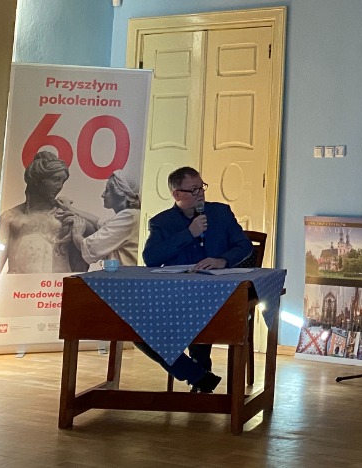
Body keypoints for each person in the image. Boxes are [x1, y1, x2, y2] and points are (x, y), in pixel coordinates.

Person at [138, 166, 253, 393]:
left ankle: (200, 375)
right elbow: (151, 258)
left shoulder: (220, 213)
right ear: (176, 194)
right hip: (175, 296)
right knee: (138, 328)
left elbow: (244, 246)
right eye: (193, 190)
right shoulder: (162, 222)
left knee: (200, 313)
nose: (200, 193)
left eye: (202, 187)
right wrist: (188, 234)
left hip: (217, 294)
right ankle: (197, 375)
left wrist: (222, 260)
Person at [0, 150, 83, 274]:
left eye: (63, 181)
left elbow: (98, 233)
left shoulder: (64, 214)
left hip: (58, 284)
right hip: (19, 284)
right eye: (55, 179)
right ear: (37, 180)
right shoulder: (10, 217)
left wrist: (73, 212)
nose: (60, 186)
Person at [60, 168, 141, 268]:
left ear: (119, 194)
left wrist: (77, 234)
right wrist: (70, 209)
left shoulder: (129, 217)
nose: (103, 195)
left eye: (107, 190)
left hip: (123, 276)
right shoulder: (132, 215)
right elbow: (98, 222)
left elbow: (90, 249)